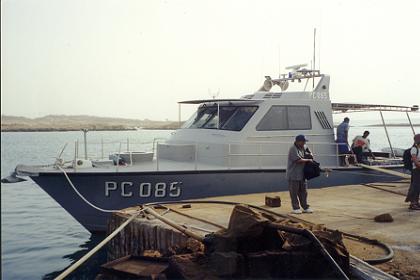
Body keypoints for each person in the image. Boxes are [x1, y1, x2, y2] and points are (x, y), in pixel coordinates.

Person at [286, 135, 314, 214]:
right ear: (298, 141)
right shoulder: (293, 149)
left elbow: (309, 151)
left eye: (305, 141)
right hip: (293, 174)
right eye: (303, 141)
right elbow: (298, 160)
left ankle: (305, 207)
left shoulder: (304, 147)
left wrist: (310, 154)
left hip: (302, 174)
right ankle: (296, 208)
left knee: (304, 192)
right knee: (294, 192)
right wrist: (308, 160)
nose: (304, 143)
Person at [405, 134, 420, 210]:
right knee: (415, 187)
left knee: (418, 187)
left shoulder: (419, 148)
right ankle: (413, 203)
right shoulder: (414, 149)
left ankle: (416, 202)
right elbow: (414, 159)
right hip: (416, 170)